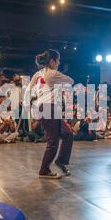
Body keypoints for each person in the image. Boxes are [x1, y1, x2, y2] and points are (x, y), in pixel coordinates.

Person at [24, 49, 74, 179]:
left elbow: (28, 91)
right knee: (53, 141)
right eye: (58, 60)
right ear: (52, 61)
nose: (59, 63)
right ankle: (44, 170)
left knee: (67, 134)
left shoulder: (38, 74)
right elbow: (71, 81)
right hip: (48, 108)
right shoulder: (52, 73)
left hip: (45, 107)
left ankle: (60, 161)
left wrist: (28, 107)